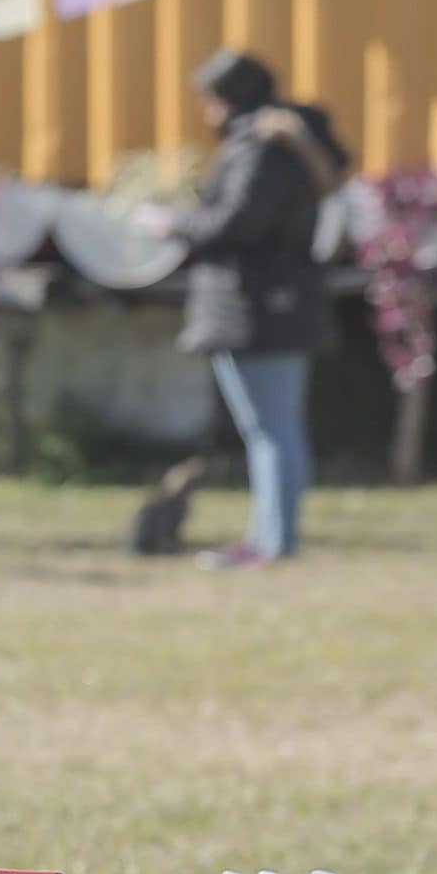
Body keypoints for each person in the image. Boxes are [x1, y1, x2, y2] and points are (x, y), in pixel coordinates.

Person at [161, 49, 334, 568]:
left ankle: (273, 543)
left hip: (255, 305)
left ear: (226, 98)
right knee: (277, 428)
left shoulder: (259, 148)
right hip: (280, 301)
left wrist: (176, 225)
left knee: (271, 430)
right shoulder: (285, 141)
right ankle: (269, 538)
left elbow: (239, 224)